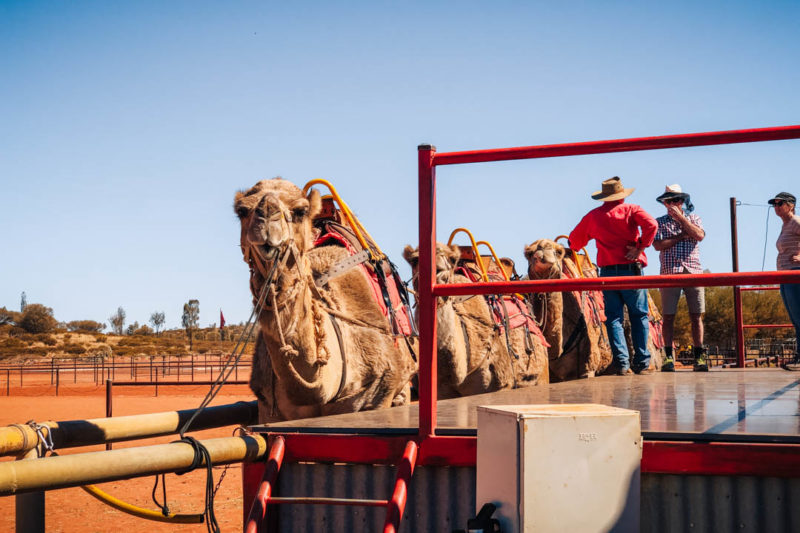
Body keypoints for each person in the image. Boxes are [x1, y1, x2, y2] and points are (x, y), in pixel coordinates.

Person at [569, 176, 658, 375]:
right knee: (639, 316)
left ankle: (622, 364)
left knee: (614, 319)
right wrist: (640, 247)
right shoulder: (632, 210)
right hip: (631, 271)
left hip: (608, 274)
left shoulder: (593, 216)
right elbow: (652, 225)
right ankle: (642, 363)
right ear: (621, 194)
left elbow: (574, 242)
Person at [652, 184, 708, 372]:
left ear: (682, 201)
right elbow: (658, 245)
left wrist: (683, 221)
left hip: (693, 271)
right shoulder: (659, 222)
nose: (673, 204)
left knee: (696, 315)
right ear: (665, 203)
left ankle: (699, 357)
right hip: (669, 271)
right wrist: (682, 236)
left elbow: (699, 235)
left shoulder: (694, 218)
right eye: (669, 200)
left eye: (676, 200)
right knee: (668, 316)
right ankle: (668, 357)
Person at [769, 192, 800, 371]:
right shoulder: (786, 225)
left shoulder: (796, 222)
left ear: (791, 205)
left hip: (795, 274)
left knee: (799, 316)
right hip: (785, 275)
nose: (776, 206)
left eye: (780, 203)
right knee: (795, 318)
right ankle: (799, 356)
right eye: (774, 204)